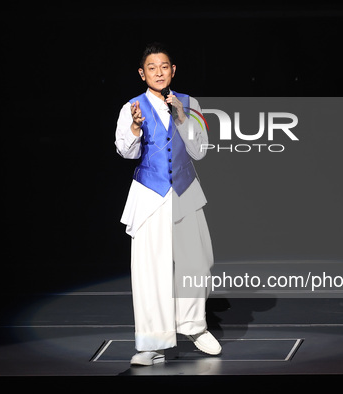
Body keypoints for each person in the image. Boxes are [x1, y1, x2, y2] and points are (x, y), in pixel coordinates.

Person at [115, 42, 221, 366]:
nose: (158, 73)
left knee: (199, 262)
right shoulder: (131, 106)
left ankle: (193, 326)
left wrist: (182, 116)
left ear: (173, 70)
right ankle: (152, 343)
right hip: (150, 195)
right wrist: (135, 126)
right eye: (151, 68)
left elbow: (200, 149)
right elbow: (125, 150)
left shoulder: (190, 103)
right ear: (141, 73)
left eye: (164, 67)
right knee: (150, 271)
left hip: (185, 191)